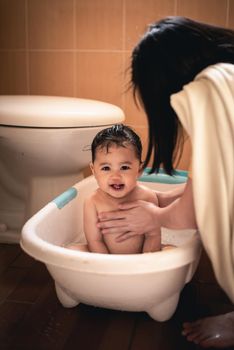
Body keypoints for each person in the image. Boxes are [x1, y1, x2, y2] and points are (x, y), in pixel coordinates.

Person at [97, 17, 234, 348]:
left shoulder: (209, 89)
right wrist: (163, 199)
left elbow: (195, 213)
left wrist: (154, 217)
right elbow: (220, 182)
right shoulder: (227, 75)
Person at [68, 124, 162, 254]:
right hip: (106, 257)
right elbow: (95, 241)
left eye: (124, 167)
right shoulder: (93, 202)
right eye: (106, 168)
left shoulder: (147, 198)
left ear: (139, 170)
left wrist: (145, 262)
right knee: (71, 250)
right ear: (94, 171)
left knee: (171, 250)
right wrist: (108, 265)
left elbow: (153, 236)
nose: (115, 177)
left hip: (139, 258)